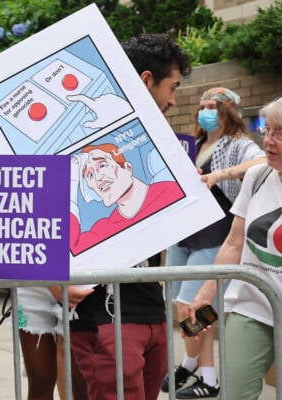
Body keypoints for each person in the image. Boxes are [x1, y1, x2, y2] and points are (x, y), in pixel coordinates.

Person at [67, 33, 191, 400]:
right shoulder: (73, 148)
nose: (173, 100)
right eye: (173, 87)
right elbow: (40, 221)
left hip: (150, 308)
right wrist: (52, 283)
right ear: (146, 81)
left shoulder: (161, 153)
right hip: (101, 315)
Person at [188, 93, 282, 400]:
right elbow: (234, 242)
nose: (268, 140)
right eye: (266, 130)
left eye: (280, 133)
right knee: (234, 393)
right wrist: (206, 293)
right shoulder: (258, 176)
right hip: (251, 305)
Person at [162, 87, 266, 398]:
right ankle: (192, 363)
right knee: (186, 308)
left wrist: (220, 175)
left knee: (194, 309)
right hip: (185, 236)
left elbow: (260, 163)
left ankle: (206, 376)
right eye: (202, 106)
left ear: (228, 111)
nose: (205, 111)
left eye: (213, 106)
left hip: (214, 237)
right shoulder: (193, 145)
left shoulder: (237, 145)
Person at [70, 142, 186, 254]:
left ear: (127, 168)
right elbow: (72, 247)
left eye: (102, 165)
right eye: (90, 175)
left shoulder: (173, 192)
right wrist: (70, 184)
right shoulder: (106, 228)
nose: (98, 177)